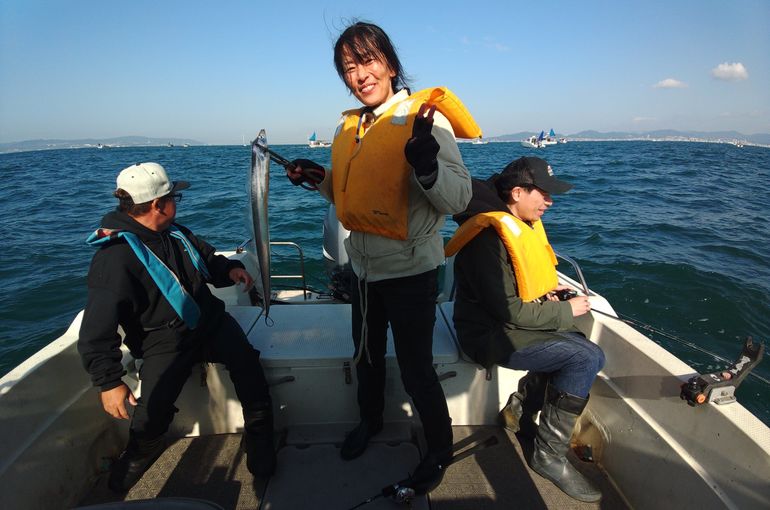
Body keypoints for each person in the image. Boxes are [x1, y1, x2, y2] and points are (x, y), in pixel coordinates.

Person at [285, 21, 480, 491]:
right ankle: (369, 421)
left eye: (368, 60)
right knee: (366, 357)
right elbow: (351, 193)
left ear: (390, 65)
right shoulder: (349, 126)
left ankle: (439, 450)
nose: (360, 74)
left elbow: (458, 198)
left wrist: (428, 167)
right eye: (348, 68)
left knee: (416, 371)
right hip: (362, 270)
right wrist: (318, 178)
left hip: (412, 271)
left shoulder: (426, 121)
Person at [78, 162, 276, 492]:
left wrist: (229, 270)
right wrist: (108, 381)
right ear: (158, 204)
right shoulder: (114, 258)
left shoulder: (176, 233)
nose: (177, 202)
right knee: (153, 407)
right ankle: (141, 451)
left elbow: (207, 259)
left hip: (210, 322)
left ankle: (260, 434)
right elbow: (96, 329)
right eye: (174, 197)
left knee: (247, 363)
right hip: (162, 339)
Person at [445, 157, 605, 503]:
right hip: (487, 336)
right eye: (543, 194)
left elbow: (518, 286)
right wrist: (565, 310)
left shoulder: (517, 223)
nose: (549, 202)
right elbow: (509, 311)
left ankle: (517, 411)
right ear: (517, 193)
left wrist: (550, 294)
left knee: (577, 343)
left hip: (508, 326)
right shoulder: (487, 240)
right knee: (583, 357)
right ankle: (547, 456)